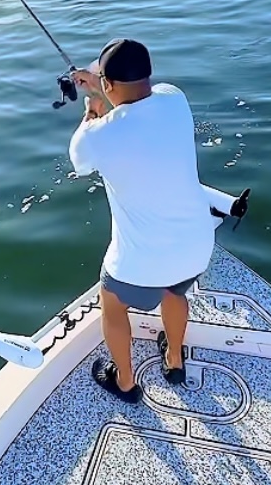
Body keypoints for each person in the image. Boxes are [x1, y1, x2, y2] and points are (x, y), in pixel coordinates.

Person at [68, 38, 215, 404]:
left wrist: (93, 105)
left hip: (140, 262)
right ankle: (174, 359)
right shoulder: (174, 99)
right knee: (174, 291)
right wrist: (103, 87)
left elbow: (81, 159)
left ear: (109, 84)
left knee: (113, 303)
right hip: (196, 246)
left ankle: (125, 383)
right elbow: (137, 103)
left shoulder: (97, 136)